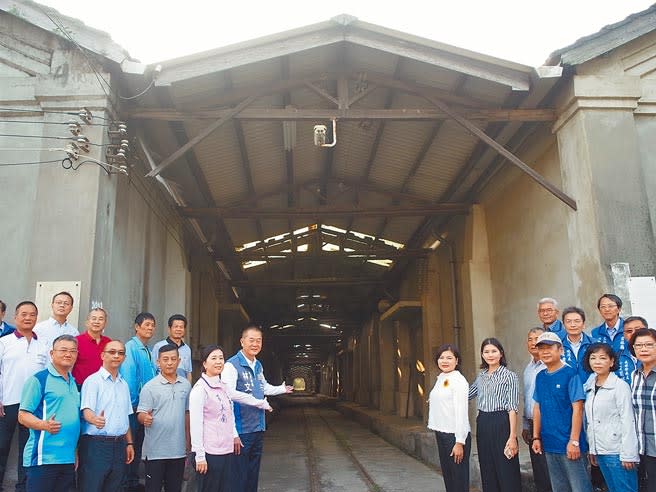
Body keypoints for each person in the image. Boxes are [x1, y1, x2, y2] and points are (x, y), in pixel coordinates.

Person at [190, 345, 272, 492]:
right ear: (204, 363)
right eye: (213, 358)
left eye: (221, 358)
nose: (218, 362)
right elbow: (195, 425)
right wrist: (200, 456)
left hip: (226, 450)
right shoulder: (200, 390)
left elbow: (231, 412)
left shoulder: (223, 386)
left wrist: (235, 435)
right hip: (210, 453)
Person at [223, 324, 293, 492]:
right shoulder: (231, 366)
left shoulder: (258, 365)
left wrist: (281, 389)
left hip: (257, 427)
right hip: (241, 431)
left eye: (259, 341)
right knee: (238, 476)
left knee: (253, 473)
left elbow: (264, 387)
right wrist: (233, 434)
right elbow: (228, 395)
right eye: (251, 340)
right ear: (242, 342)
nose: (255, 344)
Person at [531, 331, 592, 492]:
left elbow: (578, 409)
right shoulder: (540, 377)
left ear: (561, 350)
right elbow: (537, 407)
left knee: (580, 487)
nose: (545, 351)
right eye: (541, 348)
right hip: (549, 443)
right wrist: (536, 437)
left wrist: (574, 441)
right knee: (559, 488)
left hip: (569, 444)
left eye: (549, 348)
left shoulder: (570, 374)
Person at [18, 335, 80, 492]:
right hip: (43, 458)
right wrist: (43, 425)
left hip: (67, 459)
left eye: (73, 351)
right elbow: (23, 415)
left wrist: (75, 452)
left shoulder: (73, 382)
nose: (68, 354)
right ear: (52, 353)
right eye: (63, 350)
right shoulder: (39, 380)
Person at [0, 301, 48, 491]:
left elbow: (47, 376)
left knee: (27, 450)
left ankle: (23, 487)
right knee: (1, 447)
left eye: (32, 315)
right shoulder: (4, 342)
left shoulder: (44, 345)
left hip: (34, 406)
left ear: (37, 317)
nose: (28, 318)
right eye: (24, 314)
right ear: (15, 317)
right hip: (7, 403)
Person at [582, 343, 639, 492]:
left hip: (618, 451)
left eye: (602, 358)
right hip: (600, 451)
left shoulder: (620, 386)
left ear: (612, 361)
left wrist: (628, 454)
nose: (597, 362)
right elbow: (591, 421)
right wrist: (593, 449)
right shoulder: (589, 386)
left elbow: (628, 420)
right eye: (593, 358)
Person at [79, 340, 135, 492]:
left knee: (115, 487)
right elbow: (86, 411)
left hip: (119, 446)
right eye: (112, 352)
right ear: (102, 355)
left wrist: (129, 443)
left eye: (121, 353)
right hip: (97, 445)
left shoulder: (124, 385)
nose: (116, 356)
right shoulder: (93, 381)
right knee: (92, 487)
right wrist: (95, 419)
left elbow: (126, 416)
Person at [468, 337, 521, 492]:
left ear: (501, 353)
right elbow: (466, 395)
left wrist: (512, 437)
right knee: (487, 467)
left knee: (506, 468)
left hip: (502, 422)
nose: (490, 355)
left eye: (494, 351)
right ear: (482, 355)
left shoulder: (509, 376)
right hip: (483, 422)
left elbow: (512, 407)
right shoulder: (481, 376)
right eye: (486, 352)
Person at [137, 344, 192, 492]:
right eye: (165, 359)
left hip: (178, 451)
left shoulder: (186, 385)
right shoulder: (149, 387)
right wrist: (144, 418)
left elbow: (187, 413)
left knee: (174, 488)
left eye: (173, 359)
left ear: (179, 361)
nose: (169, 363)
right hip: (155, 452)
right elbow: (141, 413)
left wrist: (189, 442)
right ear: (158, 362)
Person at [120, 312, 157, 492]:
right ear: (137, 327)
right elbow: (129, 379)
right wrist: (133, 406)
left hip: (145, 408)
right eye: (147, 324)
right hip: (134, 407)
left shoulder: (148, 351)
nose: (150, 328)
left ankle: (133, 481)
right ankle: (127, 483)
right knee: (130, 445)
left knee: (139, 445)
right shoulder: (131, 348)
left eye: (152, 325)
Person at [427, 344, 471, 492]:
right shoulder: (442, 378)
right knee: (449, 477)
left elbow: (461, 413)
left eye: (449, 358)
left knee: (458, 479)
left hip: (455, 436)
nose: (444, 361)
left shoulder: (458, 381)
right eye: (441, 357)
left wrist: (459, 442)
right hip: (442, 432)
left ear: (457, 361)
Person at [522, 327, 551, 492]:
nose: (534, 342)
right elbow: (527, 398)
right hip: (533, 425)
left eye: (537, 338)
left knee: (550, 470)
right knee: (539, 470)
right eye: (530, 339)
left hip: (547, 424)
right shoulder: (528, 368)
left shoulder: (550, 365)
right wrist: (526, 425)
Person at [629, 327, 656, 492]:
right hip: (645, 448)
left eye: (649, 345)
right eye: (638, 346)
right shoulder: (635, 375)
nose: (643, 349)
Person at [73, 307, 112, 387]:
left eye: (101, 319)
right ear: (87, 322)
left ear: (105, 323)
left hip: (103, 387)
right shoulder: (76, 341)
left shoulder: (108, 342)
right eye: (94, 318)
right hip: (80, 387)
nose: (97, 322)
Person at [151, 315, 192, 382]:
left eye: (181, 327)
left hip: (181, 388)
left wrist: (189, 389)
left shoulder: (187, 349)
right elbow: (153, 370)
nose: (178, 329)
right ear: (169, 329)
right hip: (162, 387)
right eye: (176, 326)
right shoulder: (158, 346)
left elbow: (188, 372)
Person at [561, 307, 594, 383]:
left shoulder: (594, 344)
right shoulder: (557, 345)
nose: (573, 325)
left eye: (577, 321)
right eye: (568, 321)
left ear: (583, 324)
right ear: (564, 325)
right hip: (565, 390)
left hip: (590, 390)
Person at [615, 316, 646, 385]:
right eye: (629, 331)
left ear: (647, 331)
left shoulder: (653, 354)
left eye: (638, 330)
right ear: (624, 335)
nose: (633, 333)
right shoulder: (618, 356)